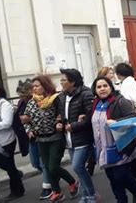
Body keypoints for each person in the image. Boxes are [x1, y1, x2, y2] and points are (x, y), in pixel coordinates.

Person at [21, 75, 79, 202]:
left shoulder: (55, 99)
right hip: (40, 139)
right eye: (33, 87)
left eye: (37, 86)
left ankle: (73, 181)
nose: (34, 89)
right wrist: (29, 130)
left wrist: (59, 123)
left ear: (45, 86)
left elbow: (62, 114)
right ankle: (57, 192)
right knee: (47, 166)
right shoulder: (32, 102)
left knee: (53, 166)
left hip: (55, 138)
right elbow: (26, 120)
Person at [91, 76, 136, 203]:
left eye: (105, 86)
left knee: (121, 176)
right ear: (95, 90)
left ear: (111, 87)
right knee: (114, 180)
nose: (102, 89)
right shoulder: (95, 104)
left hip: (120, 146)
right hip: (103, 148)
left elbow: (132, 117)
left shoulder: (120, 101)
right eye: (99, 87)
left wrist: (116, 122)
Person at [57, 69, 97, 202]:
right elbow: (61, 114)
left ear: (72, 82)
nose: (61, 82)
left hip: (83, 137)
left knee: (77, 166)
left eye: (64, 80)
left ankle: (91, 194)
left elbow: (91, 116)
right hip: (69, 139)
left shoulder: (85, 94)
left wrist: (74, 126)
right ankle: (86, 195)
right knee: (79, 169)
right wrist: (59, 123)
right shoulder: (62, 96)